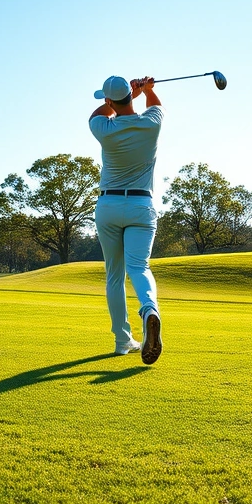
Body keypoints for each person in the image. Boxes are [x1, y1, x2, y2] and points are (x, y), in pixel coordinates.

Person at [89, 75, 164, 365]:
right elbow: (156, 106)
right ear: (131, 98)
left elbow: (99, 113)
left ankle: (123, 340)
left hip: (108, 205)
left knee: (115, 275)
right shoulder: (151, 123)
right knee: (139, 267)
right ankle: (149, 310)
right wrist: (146, 90)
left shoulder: (103, 128)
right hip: (141, 204)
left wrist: (128, 94)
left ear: (109, 100)